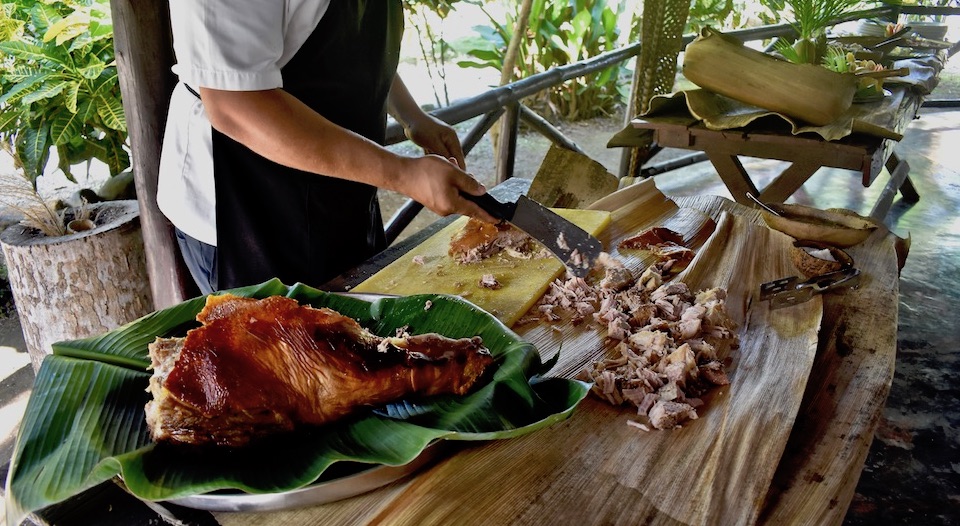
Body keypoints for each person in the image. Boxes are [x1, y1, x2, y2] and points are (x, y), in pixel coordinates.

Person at [158, 0, 495, 295]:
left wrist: (412, 115)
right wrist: (402, 173)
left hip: (344, 187)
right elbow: (235, 103)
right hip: (247, 211)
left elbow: (353, 43)